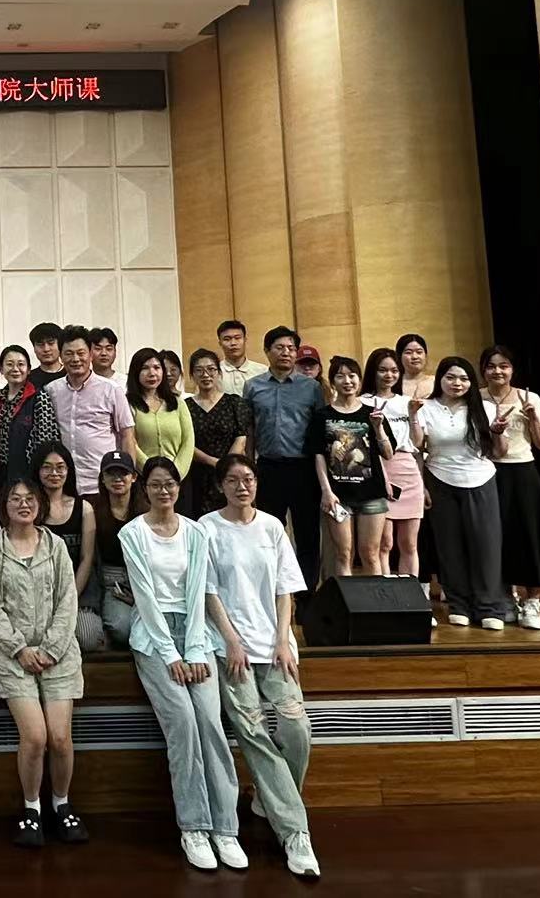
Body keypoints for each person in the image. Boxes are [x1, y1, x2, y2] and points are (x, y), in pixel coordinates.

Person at [120, 455, 244, 873]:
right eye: (155, 484)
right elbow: (145, 599)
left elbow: (197, 593)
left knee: (210, 722)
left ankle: (226, 829)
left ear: (178, 487)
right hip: (153, 637)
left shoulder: (195, 531)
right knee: (183, 723)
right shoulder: (132, 533)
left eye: (170, 484)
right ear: (145, 489)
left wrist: (192, 650)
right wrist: (171, 654)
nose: (164, 491)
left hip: (196, 633)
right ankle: (194, 827)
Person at [199, 453, 320, 878]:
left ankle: (269, 799)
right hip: (230, 648)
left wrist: (283, 639)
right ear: (220, 486)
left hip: (275, 647)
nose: (242, 486)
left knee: (296, 728)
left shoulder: (271, 527)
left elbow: (286, 589)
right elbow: (209, 592)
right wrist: (231, 641)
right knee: (252, 732)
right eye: (233, 480)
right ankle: (295, 833)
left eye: (248, 478)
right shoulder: (207, 528)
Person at [0, 471, 86, 848]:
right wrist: (19, 649)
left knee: (60, 737)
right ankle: (31, 808)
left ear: (39, 505)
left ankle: (61, 803)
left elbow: (67, 601)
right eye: (15, 498)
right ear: (4, 505)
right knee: (36, 736)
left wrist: (51, 648)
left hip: (58, 654)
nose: (23, 504)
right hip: (13, 656)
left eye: (29, 499)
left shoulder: (56, 546)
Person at [415, 357, 512, 629]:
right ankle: (459, 604)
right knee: (449, 546)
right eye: (450, 377)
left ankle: (490, 607)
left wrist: (498, 432)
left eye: (464, 378)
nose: (457, 383)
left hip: (480, 480)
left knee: (486, 546)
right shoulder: (426, 408)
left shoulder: (486, 408)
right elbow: (417, 449)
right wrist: (422, 486)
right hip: (440, 479)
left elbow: (500, 452)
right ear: (440, 380)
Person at [480, 346, 540, 629]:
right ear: (483, 370)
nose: (497, 371)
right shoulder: (476, 399)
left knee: (529, 535)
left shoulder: (530, 398)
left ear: (512, 369)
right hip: (487, 473)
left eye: (504, 366)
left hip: (523, 472)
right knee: (497, 537)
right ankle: (507, 597)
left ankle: (533, 602)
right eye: (491, 366)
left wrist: (533, 418)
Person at [243, 326, 327, 588]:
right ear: (267, 351)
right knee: (268, 533)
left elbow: (321, 432)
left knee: (307, 535)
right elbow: (249, 430)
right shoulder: (253, 386)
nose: (286, 353)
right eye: (280, 348)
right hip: (268, 468)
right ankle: (274, 590)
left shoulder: (312, 388)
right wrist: (250, 466)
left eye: (291, 348)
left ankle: (306, 595)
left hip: (304, 469)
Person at [310, 357, 392, 578]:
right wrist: (326, 491)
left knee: (371, 554)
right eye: (340, 376)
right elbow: (318, 456)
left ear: (360, 380)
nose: (347, 381)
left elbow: (388, 453)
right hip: (338, 497)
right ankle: (346, 601)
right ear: (332, 382)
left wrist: (378, 428)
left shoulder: (372, 413)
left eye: (352, 376)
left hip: (371, 494)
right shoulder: (322, 416)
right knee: (343, 554)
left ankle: (374, 600)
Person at [47, 325, 138, 501]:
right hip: (65, 485)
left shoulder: (111, 390)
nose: (75, 359)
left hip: (102, 484)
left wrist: (129, 478)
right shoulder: (52, 391)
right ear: (61, 356)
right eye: (69, 353)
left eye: (81, 353)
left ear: (90, 354)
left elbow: (127, 436)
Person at [362, 347, 425, 580]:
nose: (389, 375)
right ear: (373, 371)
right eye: (383, 370)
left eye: (394, 370)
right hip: (379, 468)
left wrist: (413, 414)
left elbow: (418, 442)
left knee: (409, 543)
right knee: (384, 543)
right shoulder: (363, 402)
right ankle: (387, 595)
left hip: (408, 469)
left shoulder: (407, 402)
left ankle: (412, 595)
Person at [35, 442, 104, 653]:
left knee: (87, 637)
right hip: (39, 592)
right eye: (47, 467)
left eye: (60, 467)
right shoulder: (31, 507)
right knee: (40, 637)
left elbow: (86, 558)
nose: (54, 473)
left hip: (78, 590)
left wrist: (69, 596)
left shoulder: (84, 508)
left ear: (69, 470)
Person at [128, 346, 198, 513]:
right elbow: (130, 442)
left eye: (157, 367)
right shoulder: (128, 404)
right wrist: (151, 471)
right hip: (145, 480)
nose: (152, 373)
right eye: (145, 368)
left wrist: (175, 473)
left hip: (179, 479)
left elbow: (188, 440)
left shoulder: (177, 402)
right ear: (135, 372)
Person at [185, 349, 250, 521]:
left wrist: (226, 465)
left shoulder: (234, 403)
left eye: (211, 369)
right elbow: (186, 442)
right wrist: (213, 462)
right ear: (192, 375)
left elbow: (241, 437)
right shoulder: (185, 406)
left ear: (219, 373)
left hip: (231, 473)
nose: (206, 375)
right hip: (197, 475)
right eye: (199, 370)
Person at [0, 344, 61, 497]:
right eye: (9, 364)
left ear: (28, 370)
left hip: (29, 472)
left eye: (21, 364)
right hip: (2, 472)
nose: (15, 369)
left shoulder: (39, 397)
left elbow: (46, 441)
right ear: (1, 369)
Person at [92, 451, 140, 648]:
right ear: (102, 478)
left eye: (123, 473)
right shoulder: (92, 509)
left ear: (133, 477)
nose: (117, 479)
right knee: (122, 628)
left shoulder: (144, 510)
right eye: (111, 473)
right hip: (108, 580)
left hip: (138, 580)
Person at [215, 319, 267, 397]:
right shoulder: (214, 373)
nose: (233, 343)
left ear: (245, 340)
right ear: (220, 343)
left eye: (237, 338)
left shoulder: (262, 371)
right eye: (227, 339)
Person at [28, 321, 66, 389]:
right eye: (40, 344)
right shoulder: (27, 379)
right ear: (34, 348)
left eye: (51, 343)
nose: (46, 349)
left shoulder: (71, 374)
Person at [396, 333, 433, 400]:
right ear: (399, 356)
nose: (415, 357)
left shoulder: (436, 382)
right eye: (408, 352)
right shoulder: (393, 383)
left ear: (425, 355)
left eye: (419, 352)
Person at [90, 327, 125, 391]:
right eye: (98, 349)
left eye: (109, 349)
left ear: (115, 352)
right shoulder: (83, 381)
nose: (104, 353)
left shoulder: (126, 382)